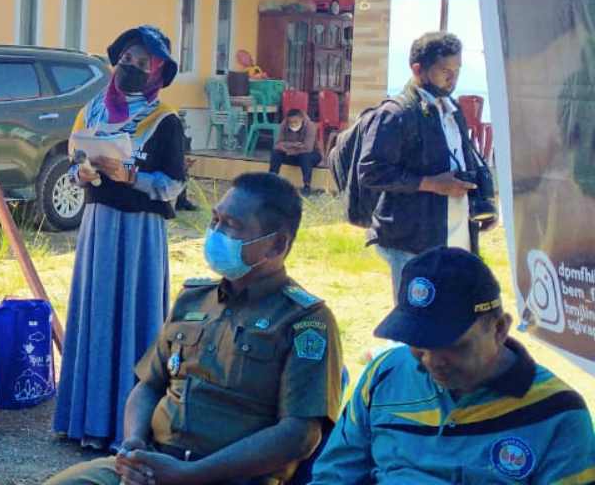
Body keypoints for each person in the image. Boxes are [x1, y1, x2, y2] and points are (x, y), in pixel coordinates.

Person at [46, 173, 344, 485]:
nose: (215, 232)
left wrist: (190, 475)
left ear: (277, 245)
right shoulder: (193, 299)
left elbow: (300, 435)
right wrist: (133, 445)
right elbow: (149, 385)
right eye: (215, 219)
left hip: (231, 477)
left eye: (231, 225)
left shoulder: (305, 321)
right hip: (155, 465)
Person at [311, 248, 595, 483]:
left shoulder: (557, 414)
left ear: (499, 329)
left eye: (453, 346)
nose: (432, 361)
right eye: (418, 343)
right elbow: (334, 475)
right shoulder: (384, 374)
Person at [54, 25, 187, 450]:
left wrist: (132, 177)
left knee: (135, 319)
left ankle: (128, 428)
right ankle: (86, 421)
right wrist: (83, 172)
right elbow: (72, 161)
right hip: (98, 227)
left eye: (143, 63)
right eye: (127, 59)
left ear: (158, 71)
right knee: (96, 315)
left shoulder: (164, 120)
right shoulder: (91, 110)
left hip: (140, 234)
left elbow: (173, 185)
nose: (131, 67)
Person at [358, 32, 496, 298]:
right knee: (415, 322)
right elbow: (371, 171)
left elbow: (463, 159)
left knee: (450, 320)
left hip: (456, 237)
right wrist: (431, 184)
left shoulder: (451, 109)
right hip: (412, 241)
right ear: (418, 69)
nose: (452, 78)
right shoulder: (395, 114)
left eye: (457, 70)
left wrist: (481, 203)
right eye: (445, 70)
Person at [268, 109, 319, 195]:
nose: (293, 124)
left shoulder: (310, 126)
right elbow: (278, 144)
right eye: (290, 122)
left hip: (311, 155)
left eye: (296, 122)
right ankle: (272, 181)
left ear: (302, 119)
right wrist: (294, 145)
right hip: (291, 154)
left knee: (305, 156)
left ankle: (307, 186)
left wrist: (287, 147)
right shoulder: (284, 125)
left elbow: (308, 147)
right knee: (275, 153)